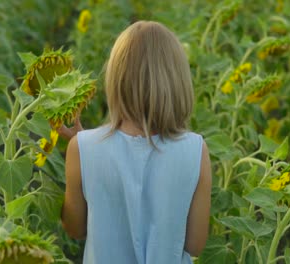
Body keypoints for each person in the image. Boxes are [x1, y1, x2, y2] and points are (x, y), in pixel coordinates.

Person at [60, 20, 211, 264]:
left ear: (115, 79)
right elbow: (195, 244)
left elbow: (74, 229)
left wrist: (82, 147)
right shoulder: (195, 150)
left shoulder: (82, 148)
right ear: (178, 81)